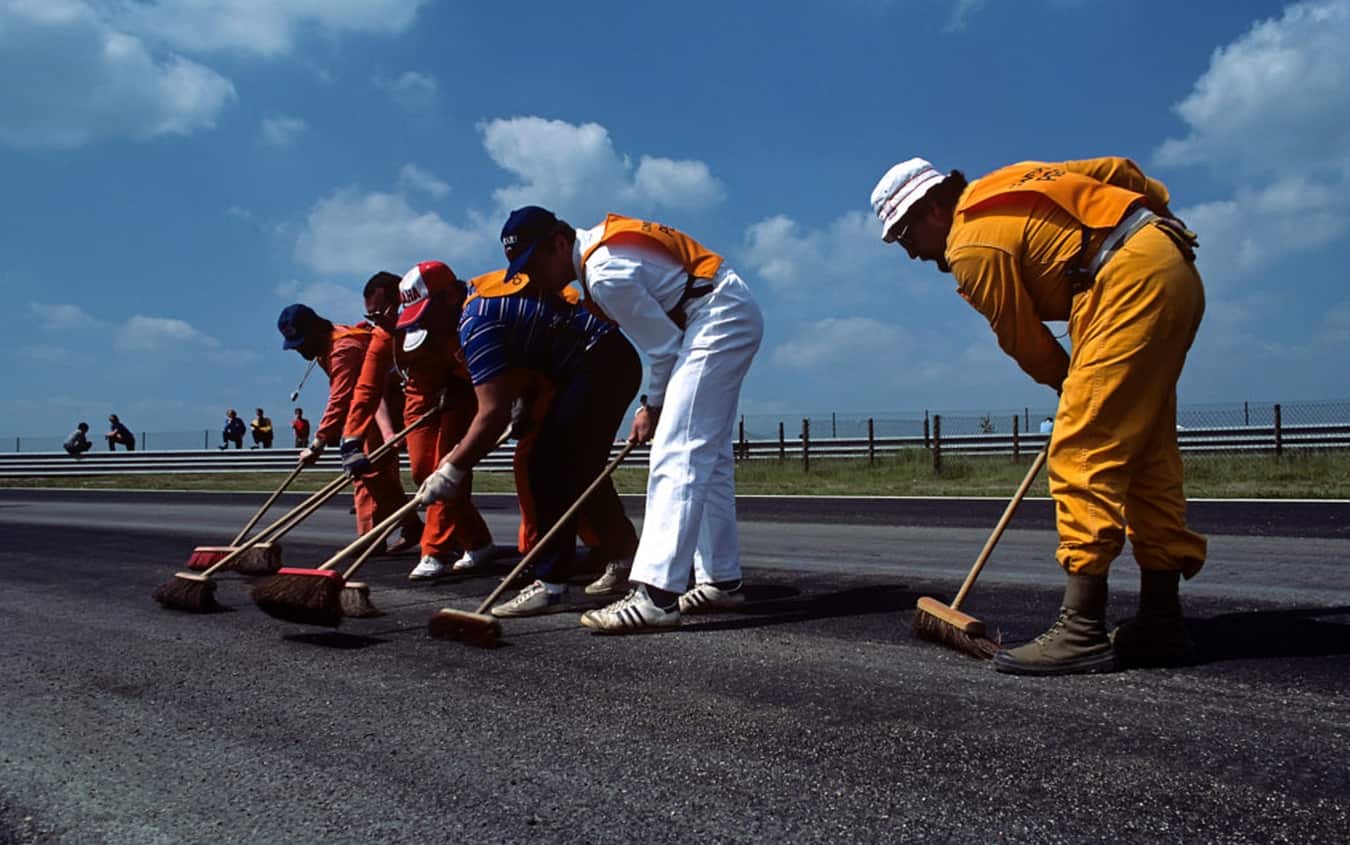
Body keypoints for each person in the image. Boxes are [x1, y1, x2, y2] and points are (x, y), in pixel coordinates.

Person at [870, 156, 1206, 675]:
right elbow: (1117, 169)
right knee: (1147, 450)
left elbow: (1022, 339)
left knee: (1081, 447)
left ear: (934, 209)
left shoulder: (970, 245)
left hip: (1124, 282)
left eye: (906, 235)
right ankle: (1161, 621)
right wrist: (1162, 215)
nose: (911, 253)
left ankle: (1081, 628)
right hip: (1165, 264)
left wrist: (1069, 385)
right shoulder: (1009, 180)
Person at [482, 206, 765, 633]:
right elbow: (668, 343)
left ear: (559, 243)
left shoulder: (603, 273)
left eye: (534, 264)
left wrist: (651, 406)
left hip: (716, 316)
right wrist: (654, 403)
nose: (533, 278)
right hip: (720, 309)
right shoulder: (600, 253)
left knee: (677, 450)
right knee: (709, 456)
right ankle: (721, 581)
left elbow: (665, 349)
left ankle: (656, 596)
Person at [419, 256, 641, 619]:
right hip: (599, 360)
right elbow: (527, 343)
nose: (427, 328)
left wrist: (451, 470)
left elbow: (492, 415)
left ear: (446, 298)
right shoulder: (481, 292)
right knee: (580, 468)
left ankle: (551, 584)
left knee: (547, 464)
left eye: (427, 317)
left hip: (598, 363)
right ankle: (622, 555)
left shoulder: (474, 320)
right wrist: (524, 400)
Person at [343, 265, 491, 578]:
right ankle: (476, 541)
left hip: (461, 390)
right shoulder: (384, 336)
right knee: (422, 472)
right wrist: (352, 439)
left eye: (381, 313)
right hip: (420, 393)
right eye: (371, 316)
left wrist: (459, 384)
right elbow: (367, 387)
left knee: (444, 468)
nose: (377, 321)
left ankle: (434, 549)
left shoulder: (464, 314)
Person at [277, 303, 421, 545]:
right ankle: (375, 536)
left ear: (315, 330)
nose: (299, 351)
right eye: (295, 346)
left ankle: (403, 527)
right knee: (364, 472)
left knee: (371, 471)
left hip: (389, 405)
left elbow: (340, 398)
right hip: (369, 409)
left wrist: (317, 443)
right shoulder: (327, 345)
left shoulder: (342, 349)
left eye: (302, 343)